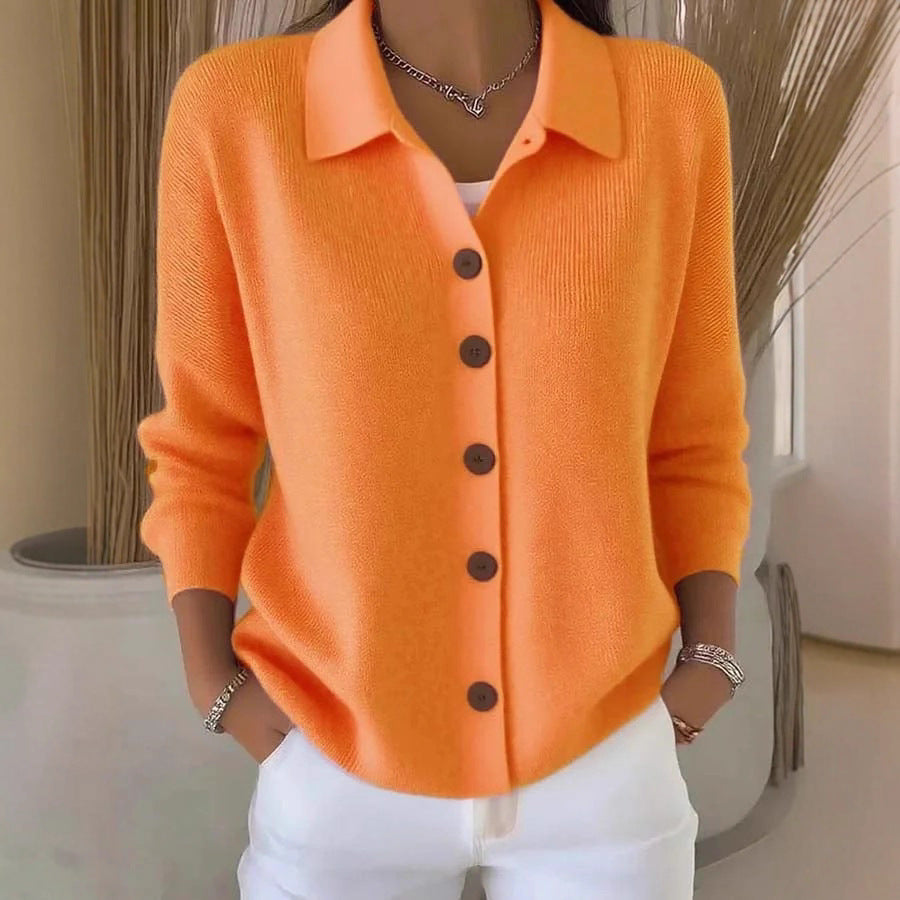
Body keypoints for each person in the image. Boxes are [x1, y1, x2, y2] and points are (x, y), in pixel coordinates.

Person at [136, 0, 752, 896]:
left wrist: (711, 660)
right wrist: (213, 682)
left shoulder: (669, 107)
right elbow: (202, 440)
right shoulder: (238, 110)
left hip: (604, 769)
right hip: (334, 761)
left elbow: (694, 430)